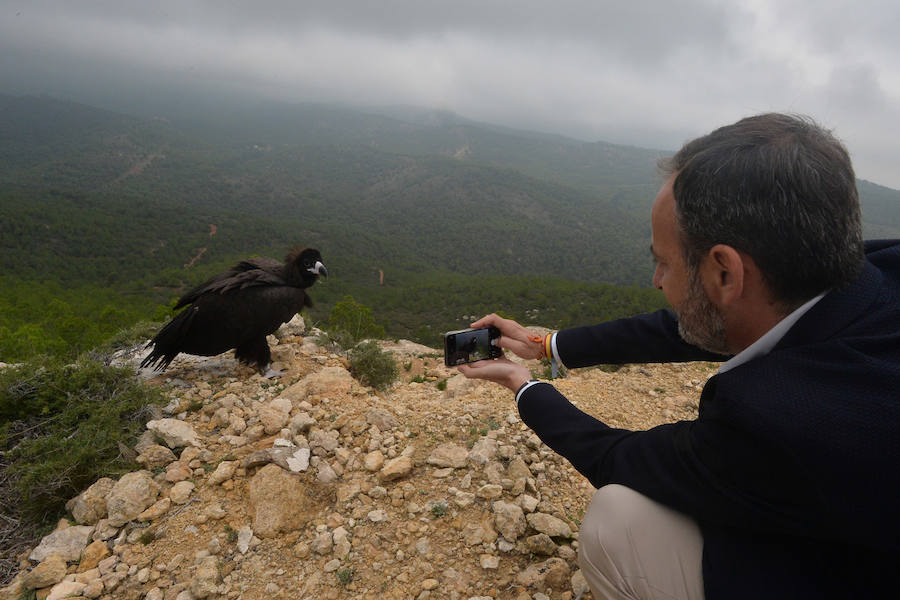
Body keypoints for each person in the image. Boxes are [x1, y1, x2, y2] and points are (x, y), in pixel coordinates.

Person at [458, 113, 900, 599]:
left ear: (726, 273)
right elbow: (706, 320)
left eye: (663, 263)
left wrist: (522, 384)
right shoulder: (874, 267)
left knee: (617, 519)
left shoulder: (776, 420)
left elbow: (618, 457)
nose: (656, 281)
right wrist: (546, 345)